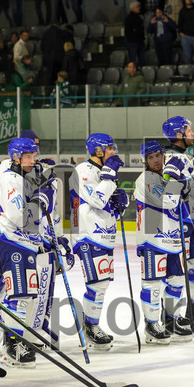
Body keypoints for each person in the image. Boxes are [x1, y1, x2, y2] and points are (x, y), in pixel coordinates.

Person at [0, 137, 66, 366]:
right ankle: (12, 345)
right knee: (20, 295)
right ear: (15, 157)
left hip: (27, 243)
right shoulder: (10, 179)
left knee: (28, 295)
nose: (33, 160)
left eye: (35, 156)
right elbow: (21, 217)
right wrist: (42, 198)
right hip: (12, 242)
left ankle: (9, 336)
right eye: (29, 157)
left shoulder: (25, 176)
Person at [70, 134, 128, 350]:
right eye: (109, 148)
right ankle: (90, 327)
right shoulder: (83, 170)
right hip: (87, 234)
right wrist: (110, 178)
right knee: (96, 284)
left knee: (102, 284)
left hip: (104, 235)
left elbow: (108, 204)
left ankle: (92, 325)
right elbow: (96, 199)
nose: (113, 152)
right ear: (97, 150)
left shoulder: (104, 173)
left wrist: (121, 201)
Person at [159, 116, 194, 337]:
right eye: (189, 131)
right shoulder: (171, 158)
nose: (193, 134)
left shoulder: (186, 156)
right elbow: (184, 189)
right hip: (179, 218)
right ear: (179, 134)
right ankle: (169, 316)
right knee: (177, 270)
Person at [133, 141, 186, 344]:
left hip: (171, 238)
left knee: (176, 281)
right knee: (152, 283)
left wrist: (185, 185)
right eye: (151, 157)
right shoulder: (145, 179)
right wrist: (175, 179)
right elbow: (167, 201)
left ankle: (170, 319)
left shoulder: (165, 178)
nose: (156, 160)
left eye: (158, 155)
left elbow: (179, 206)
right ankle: (151, 323)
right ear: (145, 161)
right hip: (152, 239)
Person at [125, 1, 147, 67]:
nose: (139, 8)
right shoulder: (129, 19)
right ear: (133, 8)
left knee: (142, 60)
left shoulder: (140, 18)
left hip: (140, 41)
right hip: (133, 42)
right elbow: (128, 32)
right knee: (132, 60)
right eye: (137, 7)